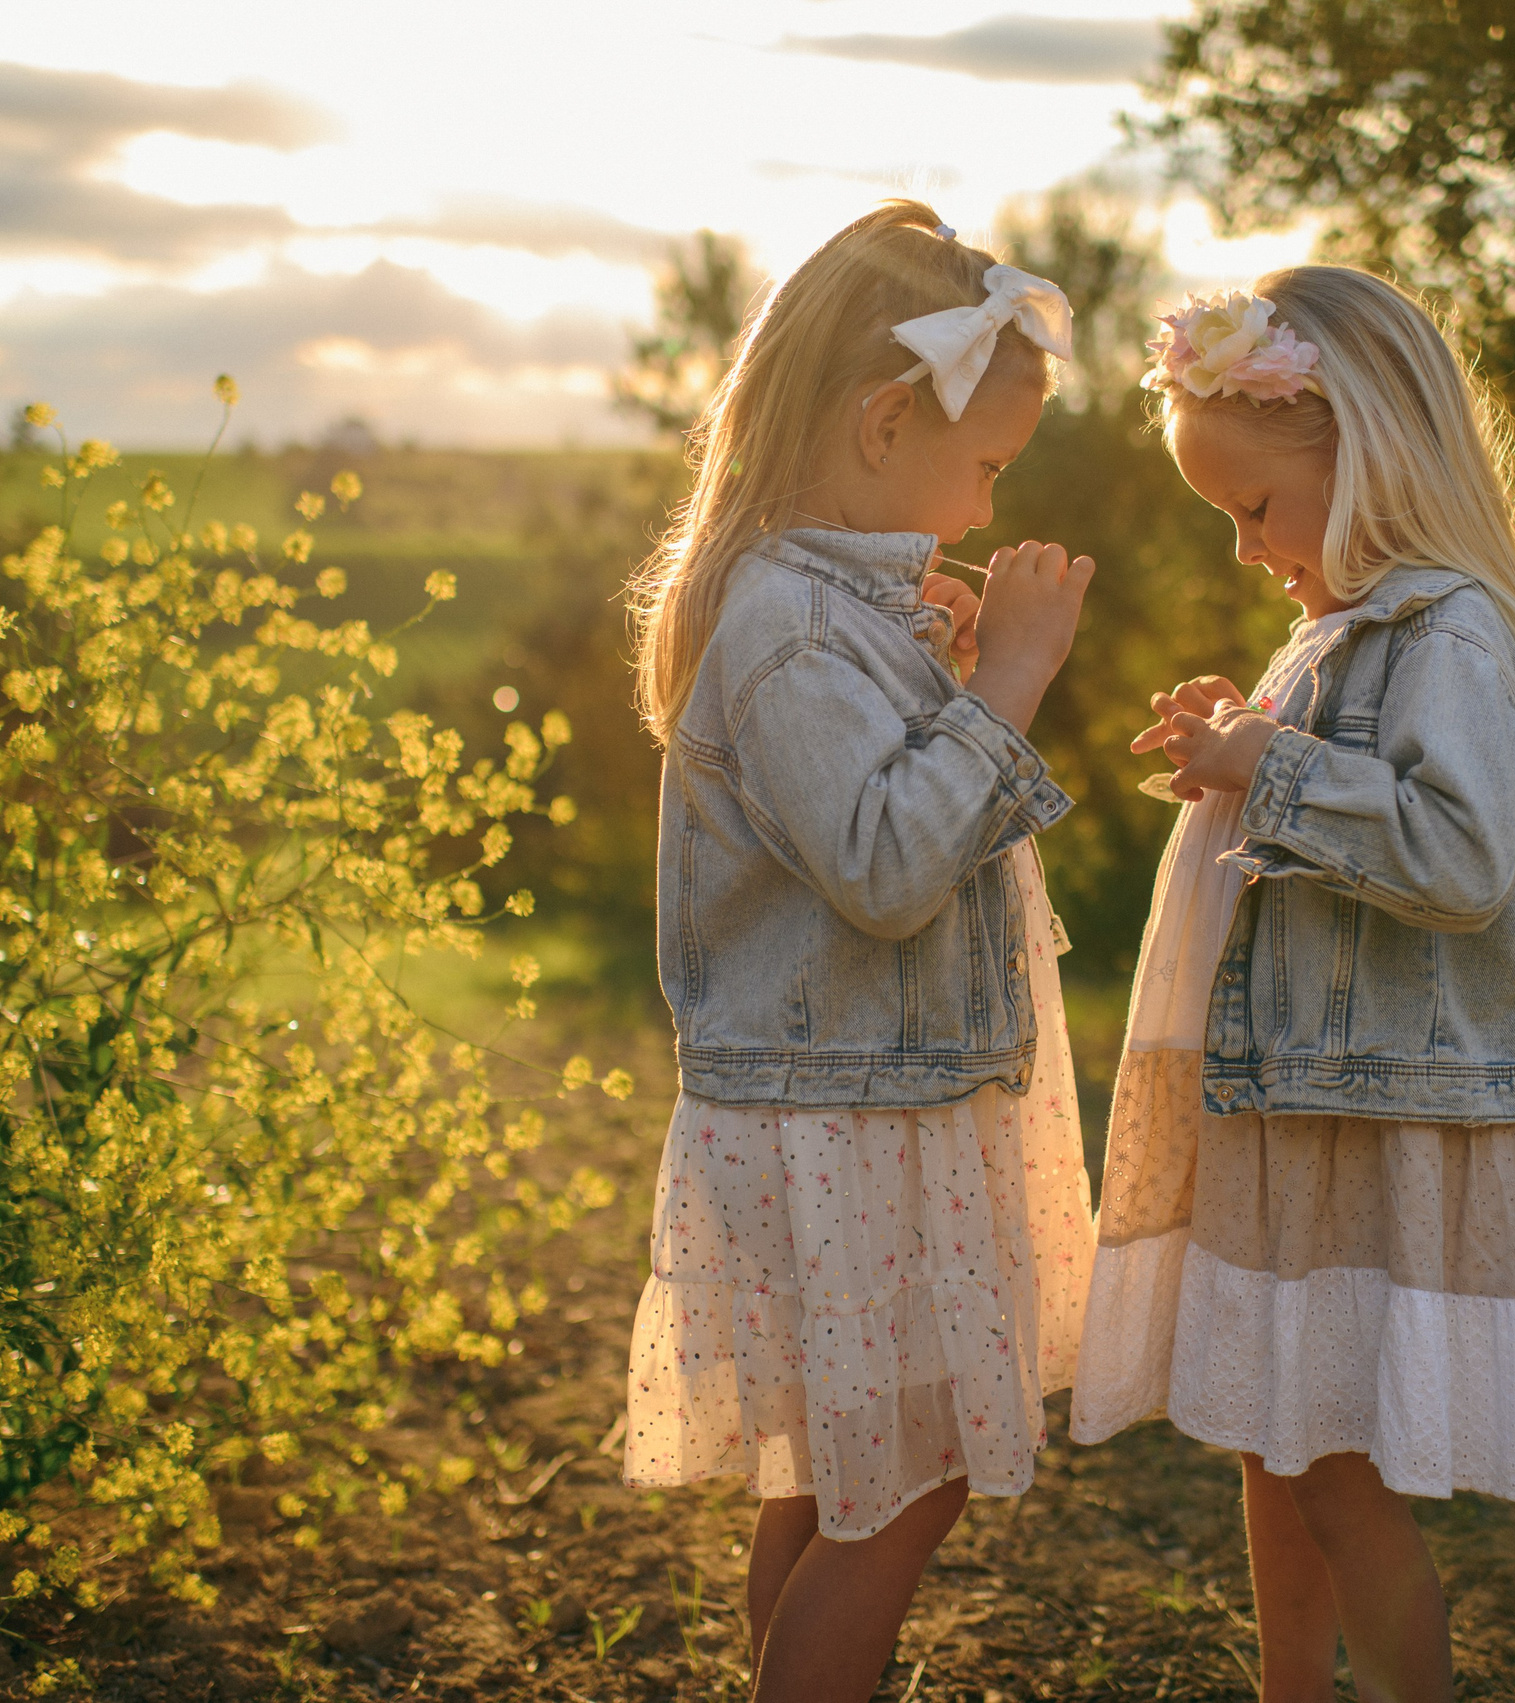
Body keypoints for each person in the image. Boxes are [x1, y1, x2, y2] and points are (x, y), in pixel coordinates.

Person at [1070, 271, 1515, 1703]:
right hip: (1295, 1105)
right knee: (1276, 1438)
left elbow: (1460, 856)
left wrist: (1275, 765)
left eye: (1253, 509)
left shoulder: (1449, 636)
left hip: (1373, 1120)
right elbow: (1320, 820)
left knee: (1341, 1474)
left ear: (1365, 452)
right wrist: (1239, 746)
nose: (1246, 551)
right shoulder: (1342, 628)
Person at [621, 202, 1099, 1703]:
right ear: (886, 421)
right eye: (983, 468)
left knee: (840, 1484)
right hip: (849, 1121)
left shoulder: (827, 612)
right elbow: (890, 869)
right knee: (903, 1483)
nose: (978, 507)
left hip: (864, 1106)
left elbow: (868, 813)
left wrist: (940, 672)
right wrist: (1008, 679)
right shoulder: (787, 629)